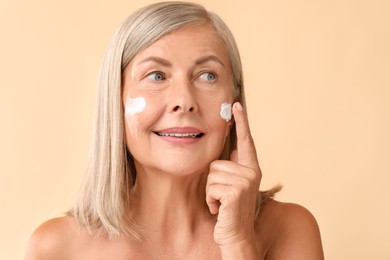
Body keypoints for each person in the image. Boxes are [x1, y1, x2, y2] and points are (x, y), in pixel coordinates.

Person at [25, 2, 324, 259]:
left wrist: (238, 243)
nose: (184, 101)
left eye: (207, 76)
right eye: (156, 75)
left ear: (233, 106)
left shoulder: (288, 230)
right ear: (115, 102)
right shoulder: (56, 249)